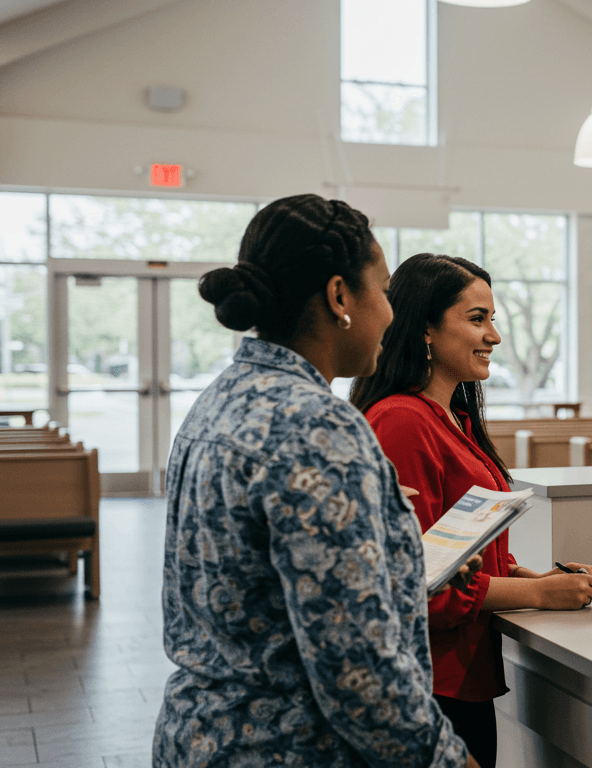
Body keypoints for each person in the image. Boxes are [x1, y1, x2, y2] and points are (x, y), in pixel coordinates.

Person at [155, 194, 477, 767]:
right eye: (381, 289)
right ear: (338, 297)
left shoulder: (220, 400)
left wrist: (398, 556)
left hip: (200, 737)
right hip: (287, 746)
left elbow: (259, 591)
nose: (390, 313)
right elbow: (357, 671)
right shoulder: (318, 428)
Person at [349, 253, 592, 768]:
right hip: (432, 680)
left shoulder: (451, 416)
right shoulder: (402, 421)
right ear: (424, 328)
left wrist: (526, 574)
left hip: (463, 674)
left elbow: (454, 542)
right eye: (476, 319)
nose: (494, 336)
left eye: (493, 319)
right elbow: (419, 581)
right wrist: (535, 593)